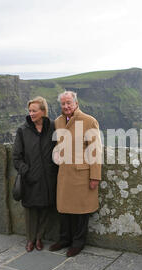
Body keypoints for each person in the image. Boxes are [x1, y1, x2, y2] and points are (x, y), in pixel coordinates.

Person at [49, 91, 102, 257]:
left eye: (69, 103)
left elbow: (96, 151)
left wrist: (95, 176)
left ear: (76, 103)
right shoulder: (57, 122)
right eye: (63, 104)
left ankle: (78, 243)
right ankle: (64, 239)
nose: (66, 106)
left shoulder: (89, 121)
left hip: (81, 174)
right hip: (64, 173)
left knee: (81, 212)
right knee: (64, 210)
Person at [13, 96, 58, 252]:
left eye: (34, 110)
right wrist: (27, 171)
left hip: (49, 178)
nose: (31, 113)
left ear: (43, 111)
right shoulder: (22, 130)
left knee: (46, 209)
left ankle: (39, 238)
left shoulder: (53, 127)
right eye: (30, 110)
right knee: (31, 211)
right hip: (30, 179)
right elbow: (16, 158)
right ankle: (30, 240)